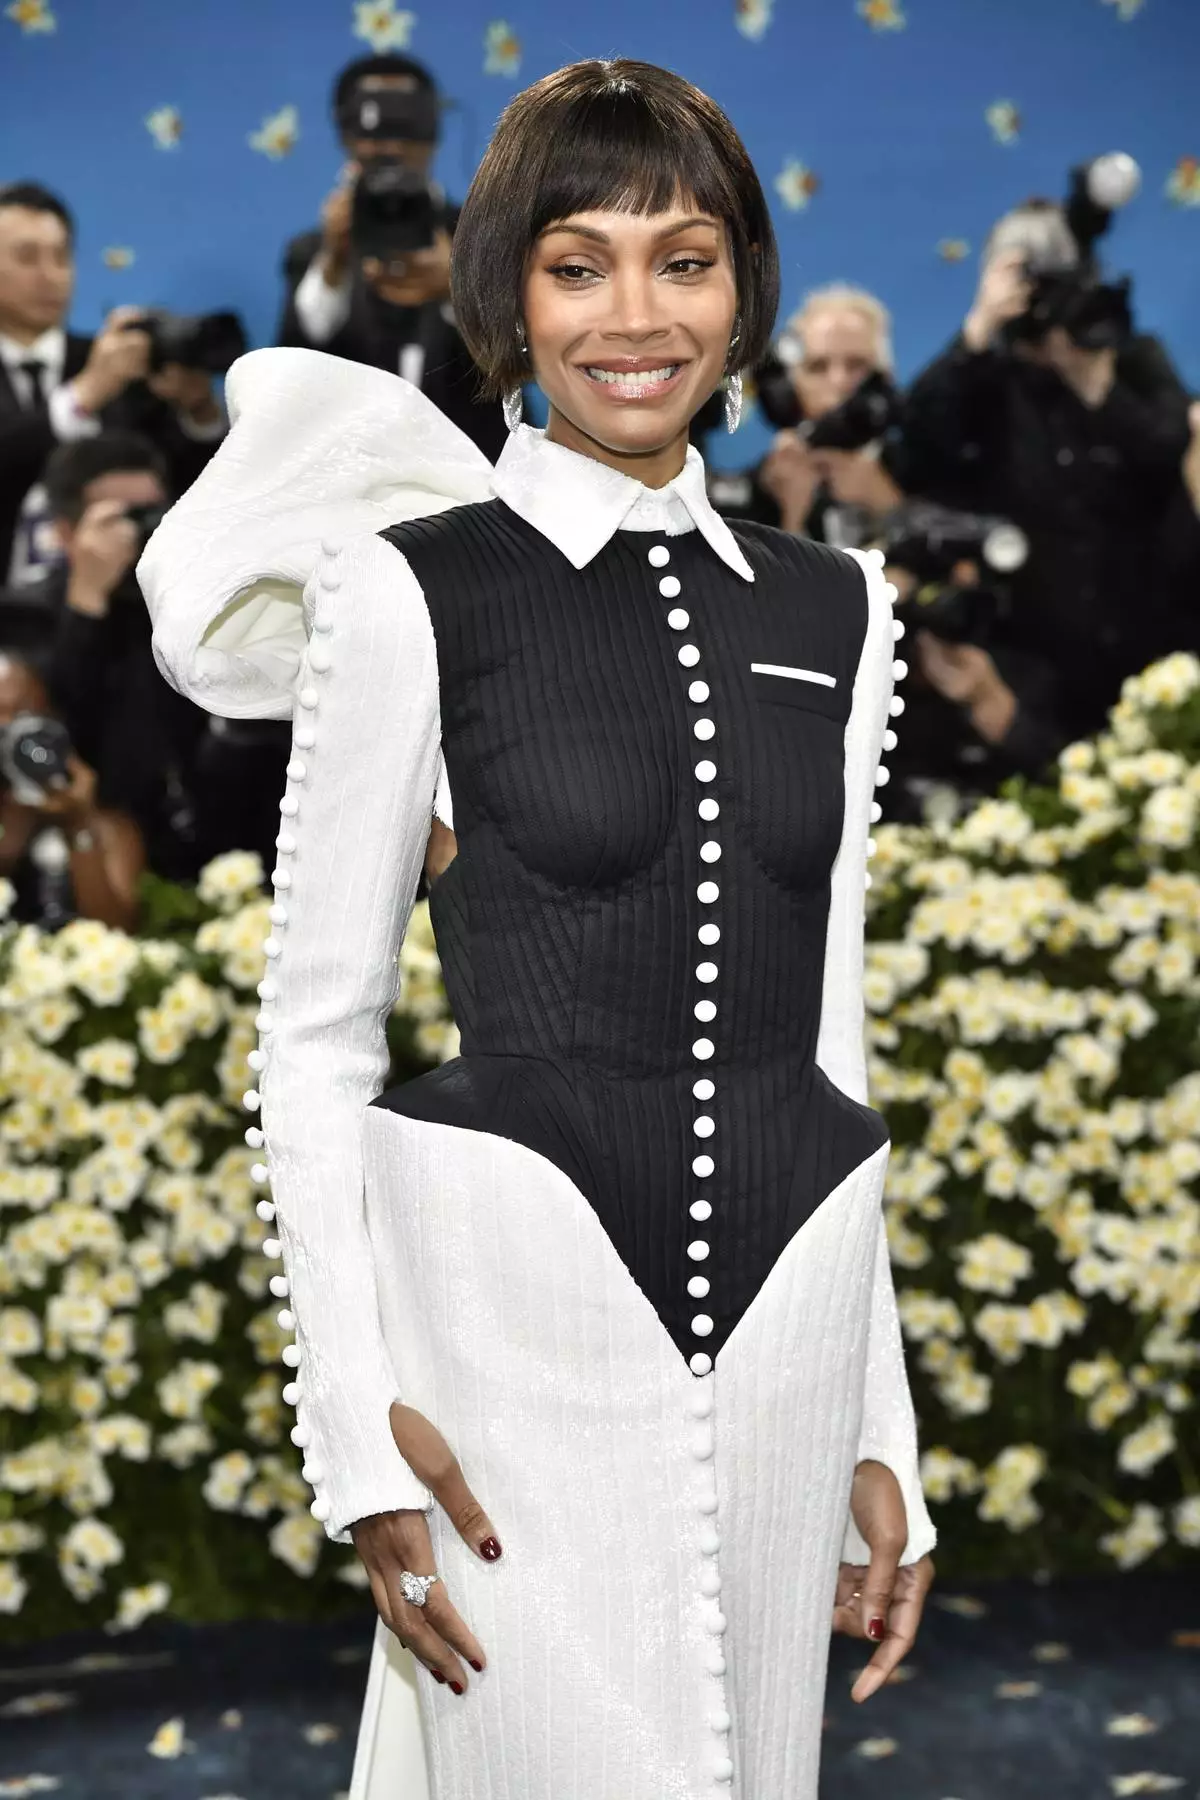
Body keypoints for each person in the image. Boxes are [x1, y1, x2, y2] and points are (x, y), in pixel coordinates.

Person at [140, 58, 935, 1800]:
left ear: (746, 293)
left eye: (686, 259)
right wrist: (354, 1432)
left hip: (798, 1317)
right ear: (509, 290)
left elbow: (831, 1028)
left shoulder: (842, 604)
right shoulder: (407, 585)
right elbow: (319, 1030)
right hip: (507, 1333)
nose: (634, 317)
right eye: (578, 265)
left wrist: (882, 1419)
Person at [900, 199, 1192, 743]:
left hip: (1147, 643)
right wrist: (978, 332)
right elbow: (917, 447)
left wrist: (1098, 390)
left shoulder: (1132, 361)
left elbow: (1176, 458)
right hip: (1029, 660)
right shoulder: (986, 376)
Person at [277, 53, 506, 459]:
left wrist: (458, 286)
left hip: (475, 476)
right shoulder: (311, 252)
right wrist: (333, 261)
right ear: (346, 133)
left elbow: (520, 359)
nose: (390, 144)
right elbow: (294, 359)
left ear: (432, 129)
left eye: (407, 123)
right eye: (372, 124)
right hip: (345, 477)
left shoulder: (486, 237)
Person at [0, 182, 226, 589]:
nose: (49, 275)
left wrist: (198, 412)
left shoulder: (121, 367)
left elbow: (193, 492)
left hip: (125, 618)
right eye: (27, 257)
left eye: (62, 256)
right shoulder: (101, 375)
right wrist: (82, 397)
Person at [0, 649, 143, 929]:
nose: (9, 734)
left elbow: (116, 934)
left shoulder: (108, 829)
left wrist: (77, 825)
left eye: (22, 715)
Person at [753, 285, 906, 544]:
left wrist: (890, 507)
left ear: (884, 377)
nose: (838, 382)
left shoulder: (927, 466)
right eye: (817, 366)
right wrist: (791, 519)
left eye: (857, 364)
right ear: (791, 385)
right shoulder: (759, 487)